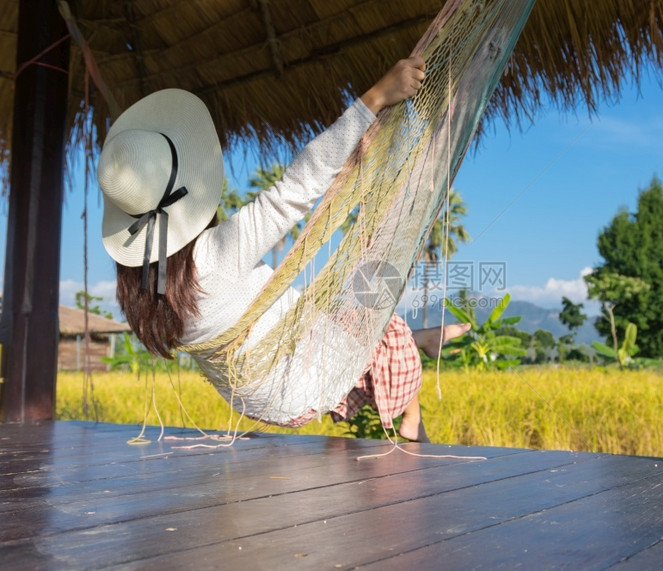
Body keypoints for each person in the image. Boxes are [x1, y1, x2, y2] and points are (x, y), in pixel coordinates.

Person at [98, 57, 469, 442]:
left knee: (346, 319)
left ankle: (417, 341)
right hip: (297, 383)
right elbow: (296, 186)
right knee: (374, 315)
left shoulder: (143, 284)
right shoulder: (217, 253)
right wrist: (375, 98)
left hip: (256, 399)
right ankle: (413, 415)